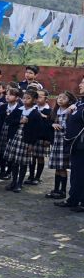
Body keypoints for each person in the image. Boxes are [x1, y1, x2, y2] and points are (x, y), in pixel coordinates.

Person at [4, 88, 43, 193]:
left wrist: (31, 143)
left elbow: (37, 131)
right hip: (15, 139)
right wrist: (19, 121)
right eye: (24, 98)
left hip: (25, 141)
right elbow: (8, 120)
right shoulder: (19, 110)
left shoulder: (35, 114)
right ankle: (14, 181)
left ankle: (19, 183)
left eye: (28, 98)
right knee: (14, 162)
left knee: (22, 162)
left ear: (34, 100)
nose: (25, 100)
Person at [55, 78, 84, 210]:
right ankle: (73, 198)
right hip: (75, 146)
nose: (80, 84)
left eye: (83, 83)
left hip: (82, 145)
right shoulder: (80, 104)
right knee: (76, 174)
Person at [46, 90, 75, 200]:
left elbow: (72, 127)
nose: (60, 99)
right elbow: (49, 123)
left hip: (64, 142)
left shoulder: (70, 112)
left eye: (63, 98)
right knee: (57, 168)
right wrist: (53, 124)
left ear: (70, 101)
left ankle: (62, 191)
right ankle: (56, 189)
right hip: (56, 142)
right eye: (59, 97)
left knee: (62, 168)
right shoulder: (55, 112)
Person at [0, 87, 20, 180]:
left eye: (11, 95)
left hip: (12, 132)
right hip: (2, 131)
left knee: (10, 153)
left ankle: (9, 172)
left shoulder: (19, 108)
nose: (8, 96)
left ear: (17, 97)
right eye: (7, 94)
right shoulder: (3, 107)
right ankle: (2, 170)